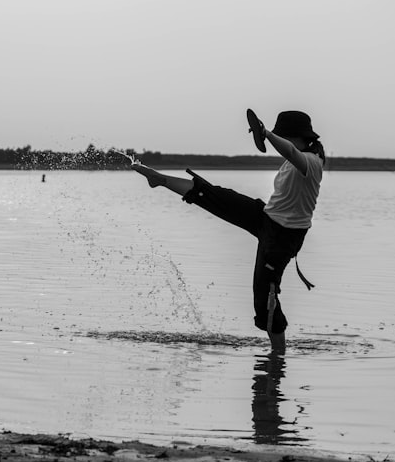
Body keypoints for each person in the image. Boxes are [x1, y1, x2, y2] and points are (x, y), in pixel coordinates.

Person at [131, 110, 324, 354]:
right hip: (266, 217)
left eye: (284, 136)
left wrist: (266, 133)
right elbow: (290, 152)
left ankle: (278, 358)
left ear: (296, 137)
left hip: (283, 238)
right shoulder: (293, 161)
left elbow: (291, 151)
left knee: (264, 304)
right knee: (216, 195)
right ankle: (160, 179)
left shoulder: (312, 163)